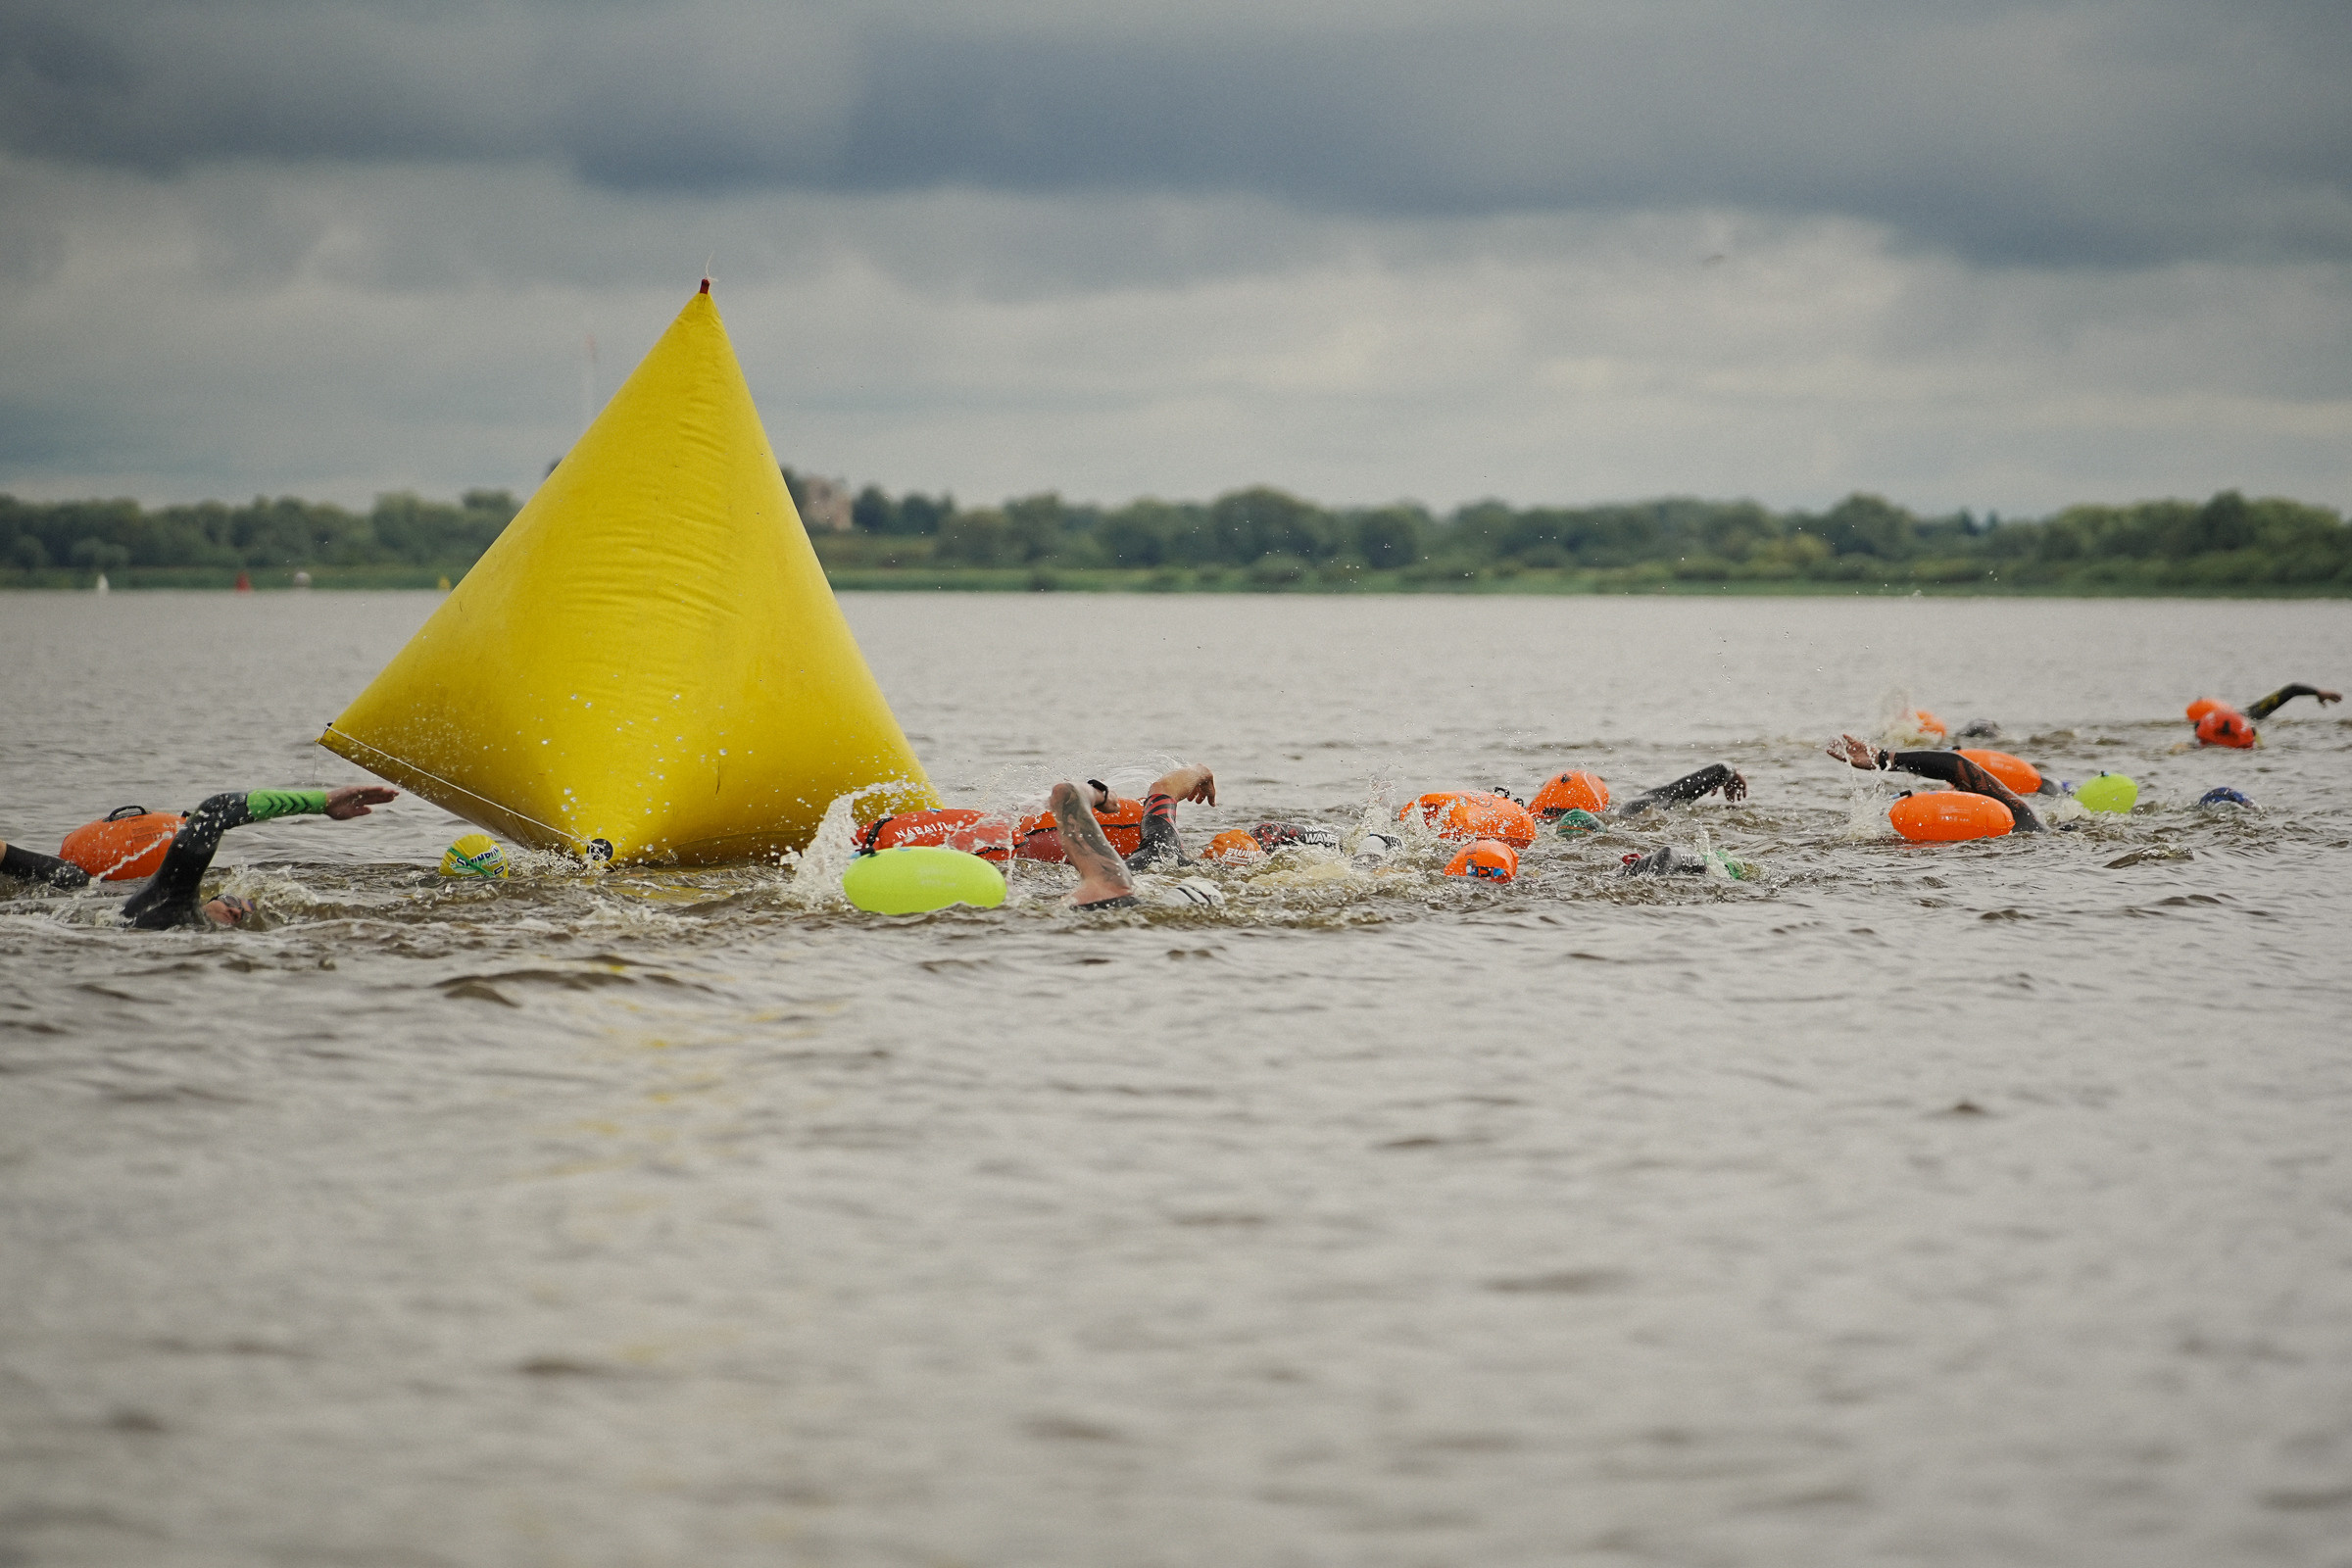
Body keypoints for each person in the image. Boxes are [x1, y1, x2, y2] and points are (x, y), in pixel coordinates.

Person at [1, 786, 397, 927]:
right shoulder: (167, 902)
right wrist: (322, 802)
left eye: (238, 908)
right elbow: (217, 809)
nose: (238, 908)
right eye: (234, 902)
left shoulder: (160, 906)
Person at [1826, 735, 2045, 832]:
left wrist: (1883, 758)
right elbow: (1954, 766)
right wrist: (1883, 759)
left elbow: (1955, 764)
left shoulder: (2025, 821)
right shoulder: (2022, 817)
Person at [2193, 684, 2339, 747]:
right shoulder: (2252, 715)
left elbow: (2291, 690)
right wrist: (2317, 692)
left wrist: (2317, 692)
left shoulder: (2251, 715)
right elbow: (2291, 690)